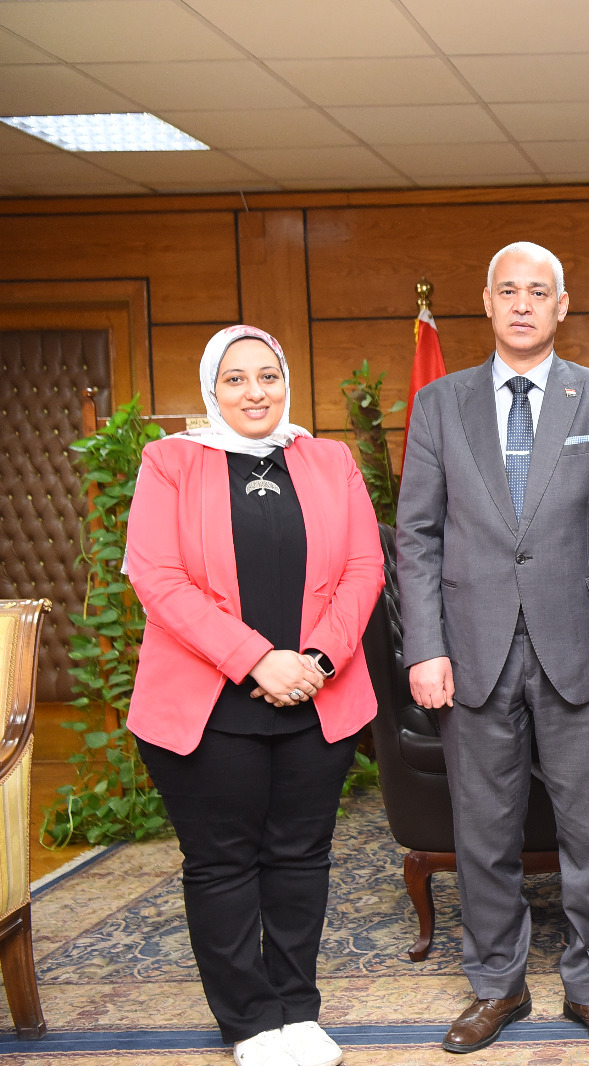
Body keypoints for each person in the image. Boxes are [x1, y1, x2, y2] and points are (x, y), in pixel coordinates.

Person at [396, 241, 589, 1053]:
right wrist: (424, 647)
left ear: (561, 306)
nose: (521, 304)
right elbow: (417, 536)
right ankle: (496, 987)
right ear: (486, 301)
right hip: (470, 650)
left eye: (537, 292)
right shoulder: (440, 403)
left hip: (582, 649)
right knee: (483, 833)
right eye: (507, 290)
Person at [126, 325, 383, 1066]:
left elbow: (365, 566)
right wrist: (257, 661)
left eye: (267, 375)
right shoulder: (170, 462)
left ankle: (297, 1011)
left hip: (317, 695)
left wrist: (317, 660)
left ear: (286, 382)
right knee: (223, 864)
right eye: (235, 378)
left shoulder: (328, 459)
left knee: (302, 858)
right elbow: (157, 578)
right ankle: (249, 1022)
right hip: (209, 707)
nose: (254, 391)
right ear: (212, 389)